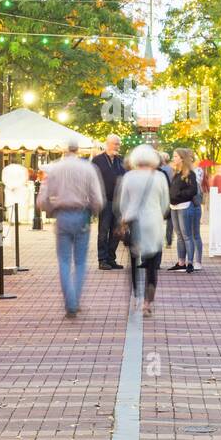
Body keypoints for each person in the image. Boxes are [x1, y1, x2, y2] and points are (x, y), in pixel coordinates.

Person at [36, 138, 105, 317]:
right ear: (79, 150)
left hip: (62, 215)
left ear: (64, 150)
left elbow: (43, 198)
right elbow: (97, 198)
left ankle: (70, 302)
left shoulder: (54, 168)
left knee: (64, 261)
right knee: (81, 262)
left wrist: (50, 210)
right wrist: (94, 212)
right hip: (82, 214)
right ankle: (75, 299)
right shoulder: (88, 168)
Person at [116, 144, 170, 317]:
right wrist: (157, 213)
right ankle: (148, 301)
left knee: (134, 262)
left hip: (134, 222)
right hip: (154, 222)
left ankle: (136, 297)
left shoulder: (129, 176)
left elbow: (123, 203)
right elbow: (165, 203)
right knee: (152, 265)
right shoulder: (160, 177)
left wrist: (124, 217)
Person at [91, 133, 126, 270]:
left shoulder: (121, 160)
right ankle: (102, 259)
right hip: (104, 201)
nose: (117, 146)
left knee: (116, 232)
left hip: (119, 202)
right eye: (115, 143)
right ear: (108, 144)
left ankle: (111, 259)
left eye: (118, 144)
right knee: (103, 231)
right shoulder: (97, 160)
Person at [169, 148, 203, 272]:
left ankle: (190, 263)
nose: (174, 158)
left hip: (184, 206)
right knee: (179, 236)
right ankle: (181, 262)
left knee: (187, 235)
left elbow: (192, 190)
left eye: (176, 156)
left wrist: (179, 195)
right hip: (174, 207)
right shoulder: (176, 173)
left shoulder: (190, 173)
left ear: (182, 158)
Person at [159, 152, 175, 247]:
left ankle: (158, 239)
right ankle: (168, 241)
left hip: (160, 196)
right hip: (169, 195)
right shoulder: (170, 169)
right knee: (170, 219)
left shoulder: (159, 170)